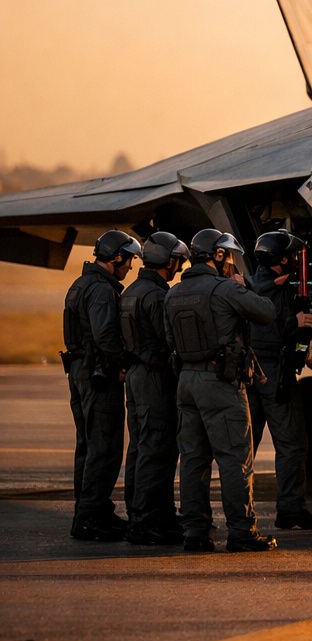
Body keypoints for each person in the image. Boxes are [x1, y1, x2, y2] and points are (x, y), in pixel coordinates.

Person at [164, 229, 279, 552]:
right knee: (234, 459)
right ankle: (242, 532)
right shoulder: (225, 289)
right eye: (228, 256)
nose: (231, 262)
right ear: (217, 256)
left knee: (193, 460)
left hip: (186, 383)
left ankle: (195, 533)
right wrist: (249, 286)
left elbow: (169, 340)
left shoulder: (173, 294)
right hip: (220, 384)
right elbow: (266, 313)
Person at [62, 230, 141, 541]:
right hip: (98, 374)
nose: (131, 266)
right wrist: (122, 362)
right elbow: (105, 335)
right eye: (129, 259)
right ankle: (90, 518)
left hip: (80, 372)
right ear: (116, 257)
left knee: (87, 446)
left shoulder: (80, 284)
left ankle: (90, 510)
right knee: (104, 448)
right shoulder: (100, 290)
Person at [248, 229, 312, 530]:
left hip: (250, 374)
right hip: (275, 377)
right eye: (290, 255)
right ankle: (291, 509)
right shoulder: (276, 291)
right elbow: (268, 330)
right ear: (281, 259)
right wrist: (297, 323)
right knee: (292, 445)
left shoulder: (248, 286)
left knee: (242, 449)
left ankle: (238, 513)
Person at [119, 232, 189, 546]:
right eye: (177, 260)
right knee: (157, 450)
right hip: (155, 378)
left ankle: (146, 515)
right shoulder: (157, 296)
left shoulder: (132, 291)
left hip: (136, 376)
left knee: (140, 448)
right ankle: (146, 523)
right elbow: (168, 340)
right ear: (169, 261)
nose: (178, 266)